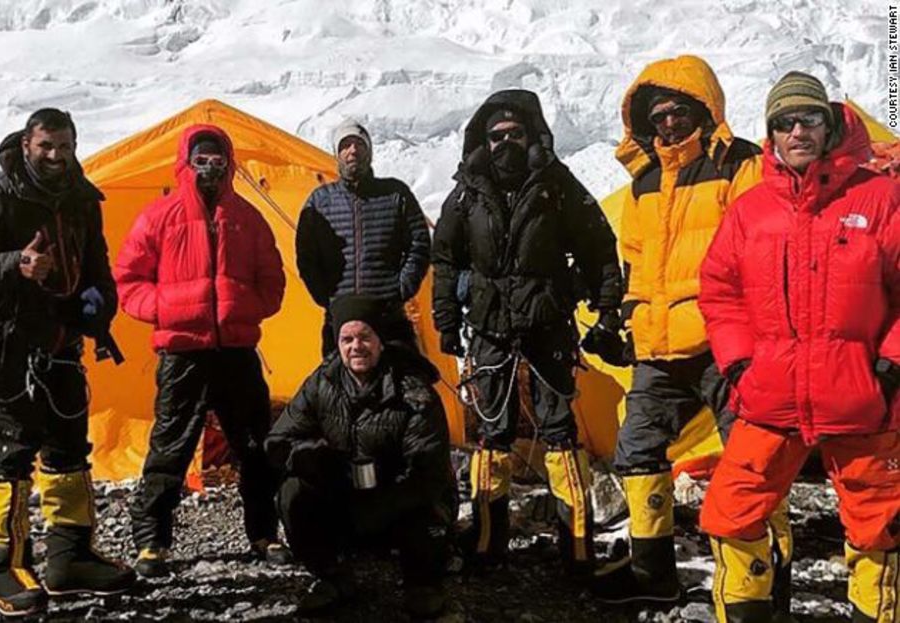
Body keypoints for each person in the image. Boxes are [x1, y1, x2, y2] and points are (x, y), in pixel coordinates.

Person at [699, 71, 900, 623]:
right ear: (771, 135)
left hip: (862, 398)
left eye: (809, 119)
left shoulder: (880, 198)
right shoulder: (750, 209)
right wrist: (740, 363)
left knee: (878, 524)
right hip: (771, 395)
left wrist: (888, 368)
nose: (797, 131)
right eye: (784, 123)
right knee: (731, 510)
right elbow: (719, 290)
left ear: (829, 126)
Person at [592, 55, 767, 605]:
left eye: (678, 110)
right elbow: (637, 261)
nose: (668, 123)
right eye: (658, 114)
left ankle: (757, 586)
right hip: (659, 344)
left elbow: (757, 249)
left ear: (703, 108)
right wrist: (629, 316)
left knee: (750, 457)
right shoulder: (646, 180)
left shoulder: (740, 165)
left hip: (726, 342)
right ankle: (653, 576)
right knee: (637, 447)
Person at [0, 108, 135, 617]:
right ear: (27, 145)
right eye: (46, 146)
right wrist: (17, 264)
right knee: (10, 458)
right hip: (6, 348)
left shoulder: (81, 199)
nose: (55, 156)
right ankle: (2, 568)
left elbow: (97, 261)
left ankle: (68, 560)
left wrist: (100, 301)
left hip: (62, 346)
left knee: (69, 451)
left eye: (64, 146)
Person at [431, 89, 623, 574]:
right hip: (489, 326)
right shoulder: (467, 191)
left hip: (547, 325)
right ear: (484, 140)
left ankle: (577, 550)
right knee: (491, 435)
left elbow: (600, 244)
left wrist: (602, 305)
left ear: (531, 134)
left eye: (515, 133)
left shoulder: (556, 184)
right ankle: (486, 544)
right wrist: (447, 321)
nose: (505, 142)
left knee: (560, 434)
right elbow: (446, 258)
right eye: (497, 136)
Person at [115, 124, 288, 577]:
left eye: (217, 161)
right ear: (186, 164)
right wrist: (168, 310)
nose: (209, 169)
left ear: (228, 165)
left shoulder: (248, 218)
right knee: (171, 445)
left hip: (236, 350)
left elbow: (273, 280)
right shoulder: (159, 217)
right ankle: (152, 542)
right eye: (201, 160)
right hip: (181, 353)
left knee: (253, 445)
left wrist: (246, 306)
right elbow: (128, 280)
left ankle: (264, 533)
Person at [266, 294, 455, 618]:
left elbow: (430, 474)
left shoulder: (413, 392)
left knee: (427, 512)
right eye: (347, 339)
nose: (356, 346)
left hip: (400, 496)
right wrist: (310, 457)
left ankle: (422, 584)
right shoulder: (323, 382)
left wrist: (379, 507)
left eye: (365, 337)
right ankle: (333, 575)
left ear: (381, 341)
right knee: (292, 492)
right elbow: (278, 440)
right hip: (345, 491)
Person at [295, 120, 431, 355]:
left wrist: (402, 288)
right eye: (345, 145)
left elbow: (419, 242)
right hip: (340, 320)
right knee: (339, 388)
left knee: (404, 384)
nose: (353, 151)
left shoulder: (395, 194)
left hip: (389, 316)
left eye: (359, 144)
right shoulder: (320, 200)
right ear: (336, 154)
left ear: (369, 151)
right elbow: (306, 255)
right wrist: (326, 297)